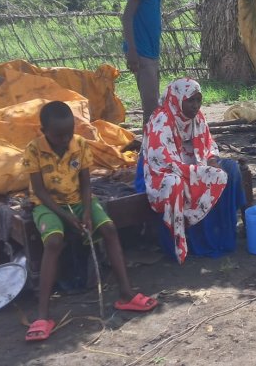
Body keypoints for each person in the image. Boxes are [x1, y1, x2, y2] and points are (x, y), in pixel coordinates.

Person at [23, 101, 157, 342]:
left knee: (109, 228)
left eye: (68, 133)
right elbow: (40, 192)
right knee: (53, 242)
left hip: (79, 201)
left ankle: (126, 295)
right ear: (43, 131)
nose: (65, 139)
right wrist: (66, 216)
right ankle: (42, 315)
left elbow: (86, 183)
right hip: (48, 206)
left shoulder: (80, 144)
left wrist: (85, 211)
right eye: (58, 135)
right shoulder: (33, 149)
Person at [141, 78, 246, 264]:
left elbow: (208, 145)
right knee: (178, 184)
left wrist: (212, 160)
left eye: (199, 100)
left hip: (194, 166)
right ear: (177, 99)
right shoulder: (161, 120)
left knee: (231, 168)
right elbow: (162, 160)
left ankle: (223, 233)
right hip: (163, 171)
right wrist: (197, 173)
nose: (196, 106)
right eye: (191, 100)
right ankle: (188, 243)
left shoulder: (197, 118)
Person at [122, 0, 184, 127]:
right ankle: (149, 150)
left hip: (151, 54)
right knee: (151, 107)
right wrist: (132, 50)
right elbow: (127, 16)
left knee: (154, 104)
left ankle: (151, 147)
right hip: (141, 53)